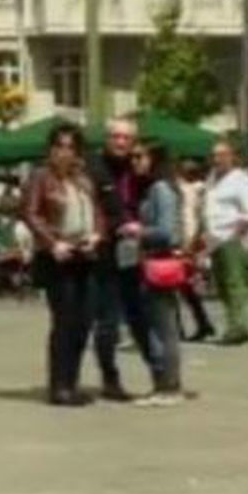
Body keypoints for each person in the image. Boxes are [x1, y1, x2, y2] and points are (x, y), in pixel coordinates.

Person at [23, 123, 106, 407]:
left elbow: (97, 210)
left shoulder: (82, 179)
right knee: (65, 321)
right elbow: (30, 213)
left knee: (84, 321)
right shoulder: (41, 177)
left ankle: (72, 382)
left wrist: (97, 234)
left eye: (70, 147)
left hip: (85, 252)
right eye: (59, 146)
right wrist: (52, 242)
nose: (64, 152)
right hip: (58, 255)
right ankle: (59, 386)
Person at [87, 118, 154, 401]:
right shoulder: (93, 167)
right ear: (107, 138)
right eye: (116, 136)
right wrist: (119, 225)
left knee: (141, 315)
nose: (121, 142)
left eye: (126, 138)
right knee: (108, 321)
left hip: (134, 250)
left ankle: (160, 374)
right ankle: (110, 378)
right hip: (105, 252)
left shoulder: (136, 167)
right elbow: (93, 208)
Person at [126, 143, 186, 407]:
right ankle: (162, 384)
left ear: (154, 159)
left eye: (140, 156)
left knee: (163, 327)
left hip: (160, 261)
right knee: (156, 325)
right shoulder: (154, 188)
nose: (135, 161)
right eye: (133, 157)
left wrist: (138, 230)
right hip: (151, 261)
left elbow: (167, 231)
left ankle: (169, 386)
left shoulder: (161, 189)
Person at [202, 139, 248, 346]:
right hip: (214, 238)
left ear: (232, 157)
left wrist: (237, 234)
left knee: (235, 283)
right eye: (214, 155)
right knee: (222, 285)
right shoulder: (211, 178)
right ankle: (234, 324)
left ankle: (238, 327)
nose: (217, 159)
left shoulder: (241, 179)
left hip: (231, 237)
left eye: (222, 155)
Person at [176, 160, 216, 342]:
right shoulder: (197, 190)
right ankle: (203, 323)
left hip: (185, 241)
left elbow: (196, 218)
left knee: (177, 285)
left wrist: (192, 243)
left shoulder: (191, 190)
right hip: (188, 239)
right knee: (185, 286)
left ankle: (183, 327)